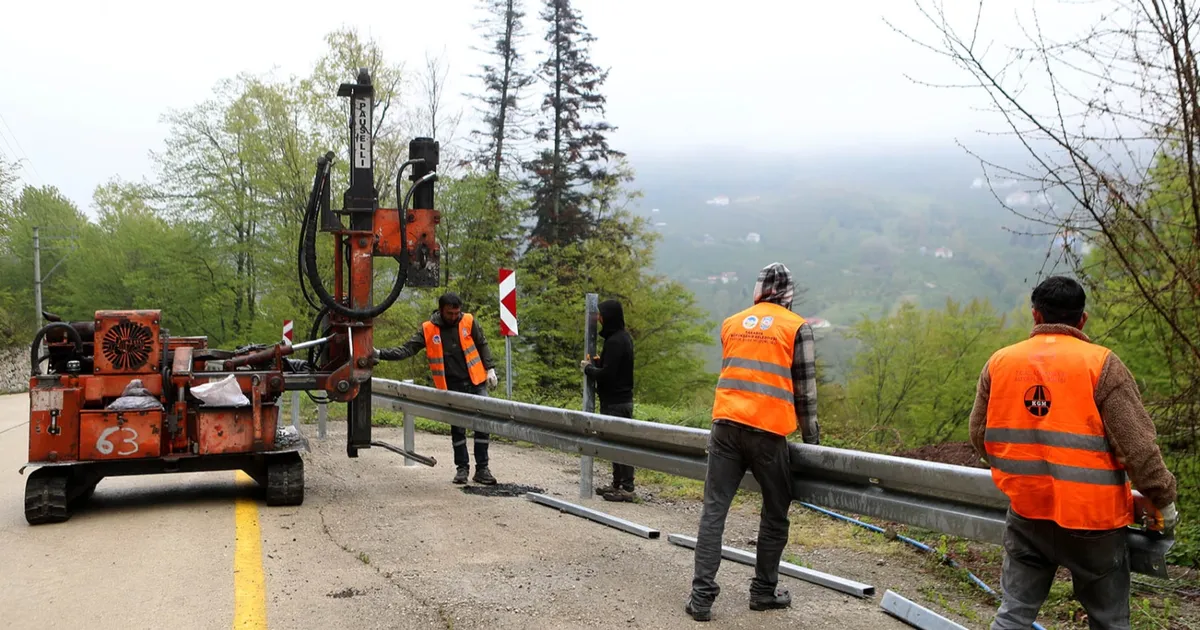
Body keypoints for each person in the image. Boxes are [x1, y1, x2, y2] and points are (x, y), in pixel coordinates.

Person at [969, 276, 1178, 630]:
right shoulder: (1102, 365)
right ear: (1082, 319)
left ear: (1035, 315)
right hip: (1094, 521)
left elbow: (979, 436)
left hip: (1027, 512)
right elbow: (1138, 447)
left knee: (1014, 614)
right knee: (1108, 620)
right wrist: (1163, 499)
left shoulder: (1000, 362)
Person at [685, 262, 819, 622]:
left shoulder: (731, 323)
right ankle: (762, 591)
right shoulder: (797, 327)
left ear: (758, 290)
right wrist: (813, 443)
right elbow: (805, 394)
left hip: (726, 426)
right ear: (788, 294)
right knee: (775, 512)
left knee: (714, 510)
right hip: (768, 434)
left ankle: (701, 599)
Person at [375, 292, 501, 485]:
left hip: (476, 381)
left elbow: (482, 344)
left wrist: (490, 368)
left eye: (456, 313)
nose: (454, 317)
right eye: (450, 313)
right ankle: (462, 469)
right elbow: (407, 350)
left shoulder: (468, 321)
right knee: (458, 427)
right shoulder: (429, 329)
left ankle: (482, 469)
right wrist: (380, 354)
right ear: (441, 310)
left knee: (482, 425)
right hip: (451, 386)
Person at [581, 299, 636, 502]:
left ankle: (627, 488)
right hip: (619, 400)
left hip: (616, 402)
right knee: (616, 444)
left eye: (602, 314)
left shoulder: (615, 341)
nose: (599, 318)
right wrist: (599, 363)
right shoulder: (622, 338)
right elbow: (614, 367)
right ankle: (617, 484)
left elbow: (608, 374)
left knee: (620, 444)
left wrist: (588, 369)